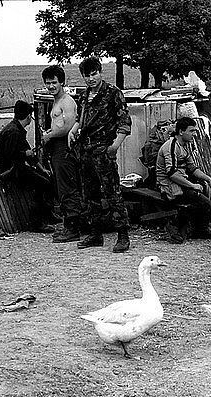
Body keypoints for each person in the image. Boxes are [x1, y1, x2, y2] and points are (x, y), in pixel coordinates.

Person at [68, 57, 132, 253]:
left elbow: (124, 122)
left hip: (104, 150)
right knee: (90, 194)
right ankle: (95, 234)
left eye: (94, 73)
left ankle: (123, 235)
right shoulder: (84, 96)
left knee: (112, 192)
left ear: (100, 72)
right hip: (86, 151)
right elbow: (81, 119)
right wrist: (73, 130)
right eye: (87, 75)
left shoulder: (113, 93)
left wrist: (114, 146)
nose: (90, 78)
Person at [156, 117, 211, 243]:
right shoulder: (170, 146)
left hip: (181, 183)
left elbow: (192, 169)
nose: (194, 134)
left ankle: (202, 228)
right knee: (205, 202)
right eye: (191, 131)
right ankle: (197, 229)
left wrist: (209, 179)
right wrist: (192, 185)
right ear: (181, 132)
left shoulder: (185, 146)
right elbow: (171, 173)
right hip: (170, 186)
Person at [0, 100, 55, 233]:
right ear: (28, 117)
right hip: (9, 171)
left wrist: (41, 168)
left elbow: (29, 154)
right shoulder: (13, 132)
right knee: (42, 184)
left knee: (46, 177)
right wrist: (24, 153)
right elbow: (11, 155)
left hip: (15, 167)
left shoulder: (17, 129)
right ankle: (36, 222)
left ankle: (47, 215)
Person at [41, 65, 82, 243]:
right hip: (57, 147)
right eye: (48, 83)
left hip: (64, 147)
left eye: (54, 82)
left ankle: (73, 229)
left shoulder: (66, 101)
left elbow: (68, 126)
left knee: (67, 188)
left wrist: (49, 135)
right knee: (62, 187)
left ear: (62, 82)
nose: (51, 86)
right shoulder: (56, 101)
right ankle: (69, 225)